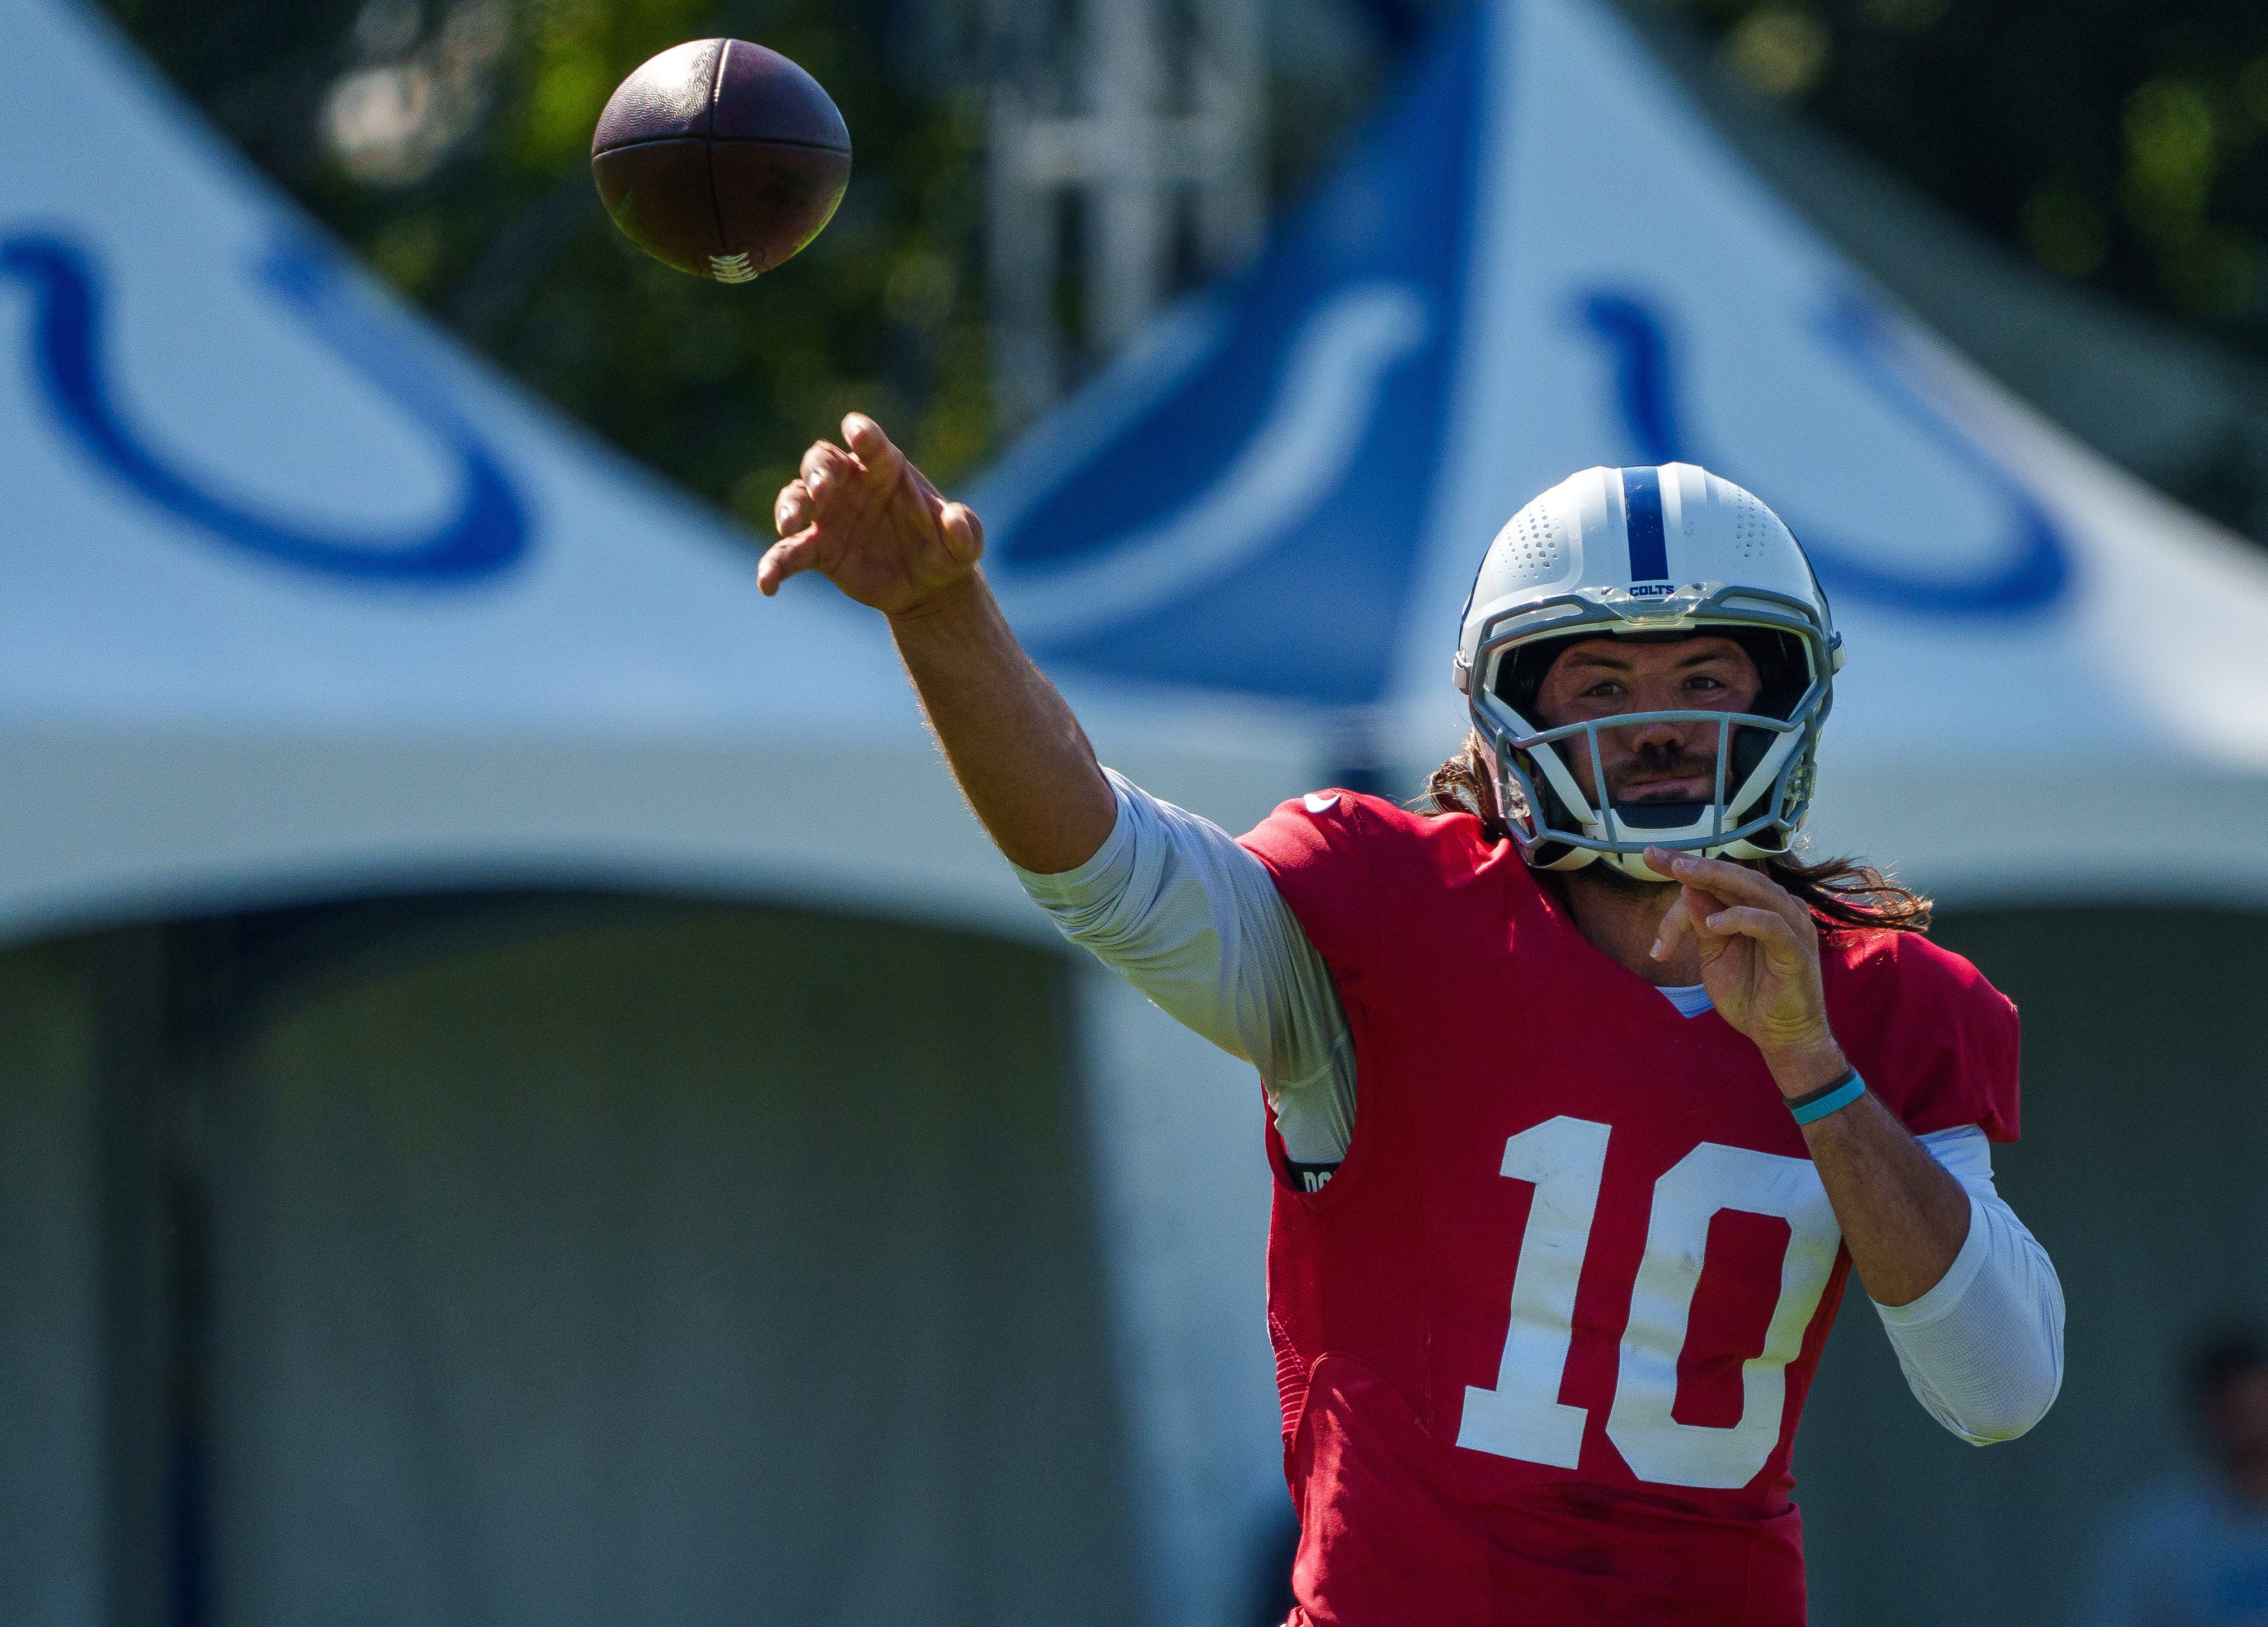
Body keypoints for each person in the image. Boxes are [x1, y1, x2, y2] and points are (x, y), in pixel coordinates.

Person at [762, 417, 2067, 1624]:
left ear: (1780, 696)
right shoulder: (1391, 919)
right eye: (1602, 685)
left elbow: (2001, 1389)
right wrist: (944, 617)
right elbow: (1114, 875)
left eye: (1704, 674)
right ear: (1511, 715)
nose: (1658, 724)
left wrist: (1812, 1068)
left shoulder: (1882, 1003)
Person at [2083, 1329, 2268, 1627]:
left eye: (2260, 1408)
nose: (2255, 1429)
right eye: (2239, 1413)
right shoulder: (2156, 1536)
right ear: (2211, 1419)